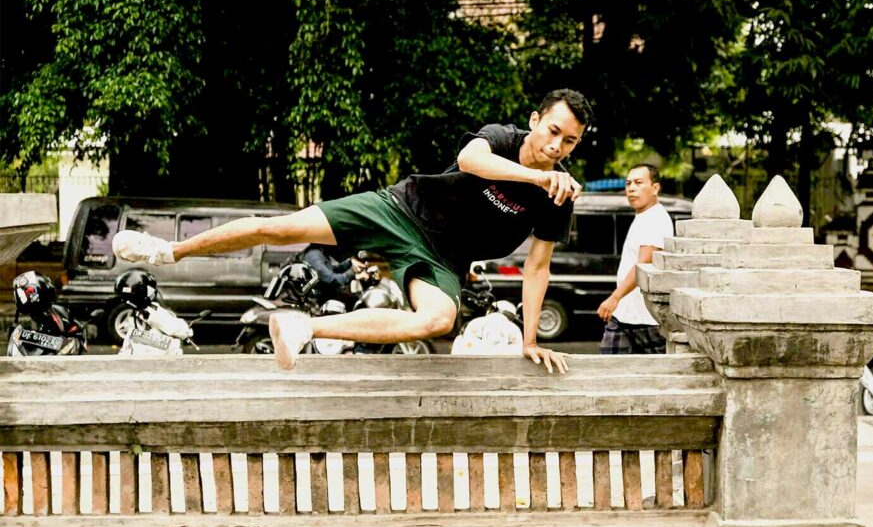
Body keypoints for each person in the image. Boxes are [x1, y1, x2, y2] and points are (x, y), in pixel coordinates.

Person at [112, 89, 593, 372]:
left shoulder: (559, 195)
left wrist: (530, 341)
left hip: (438, 259)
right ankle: (168, 251)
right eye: (552, 131)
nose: (557, 146)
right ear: (535, 121)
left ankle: (304, 327)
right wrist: (535, 175)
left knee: (437, 321)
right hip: (398, 210)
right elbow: (472, 160)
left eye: (569, 141)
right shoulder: (504, 139)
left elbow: (537, 267)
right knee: (283, 228)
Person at [597, 164, 674, 354]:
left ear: (655, 188)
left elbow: (643, 264)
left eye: (639, 183)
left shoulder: (656, 218)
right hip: (624, 315)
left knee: (656, 378)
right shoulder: (643, 216)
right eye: (628, 183)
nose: (631, 188)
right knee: (609, 371)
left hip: (645, 317)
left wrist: (615, 297)